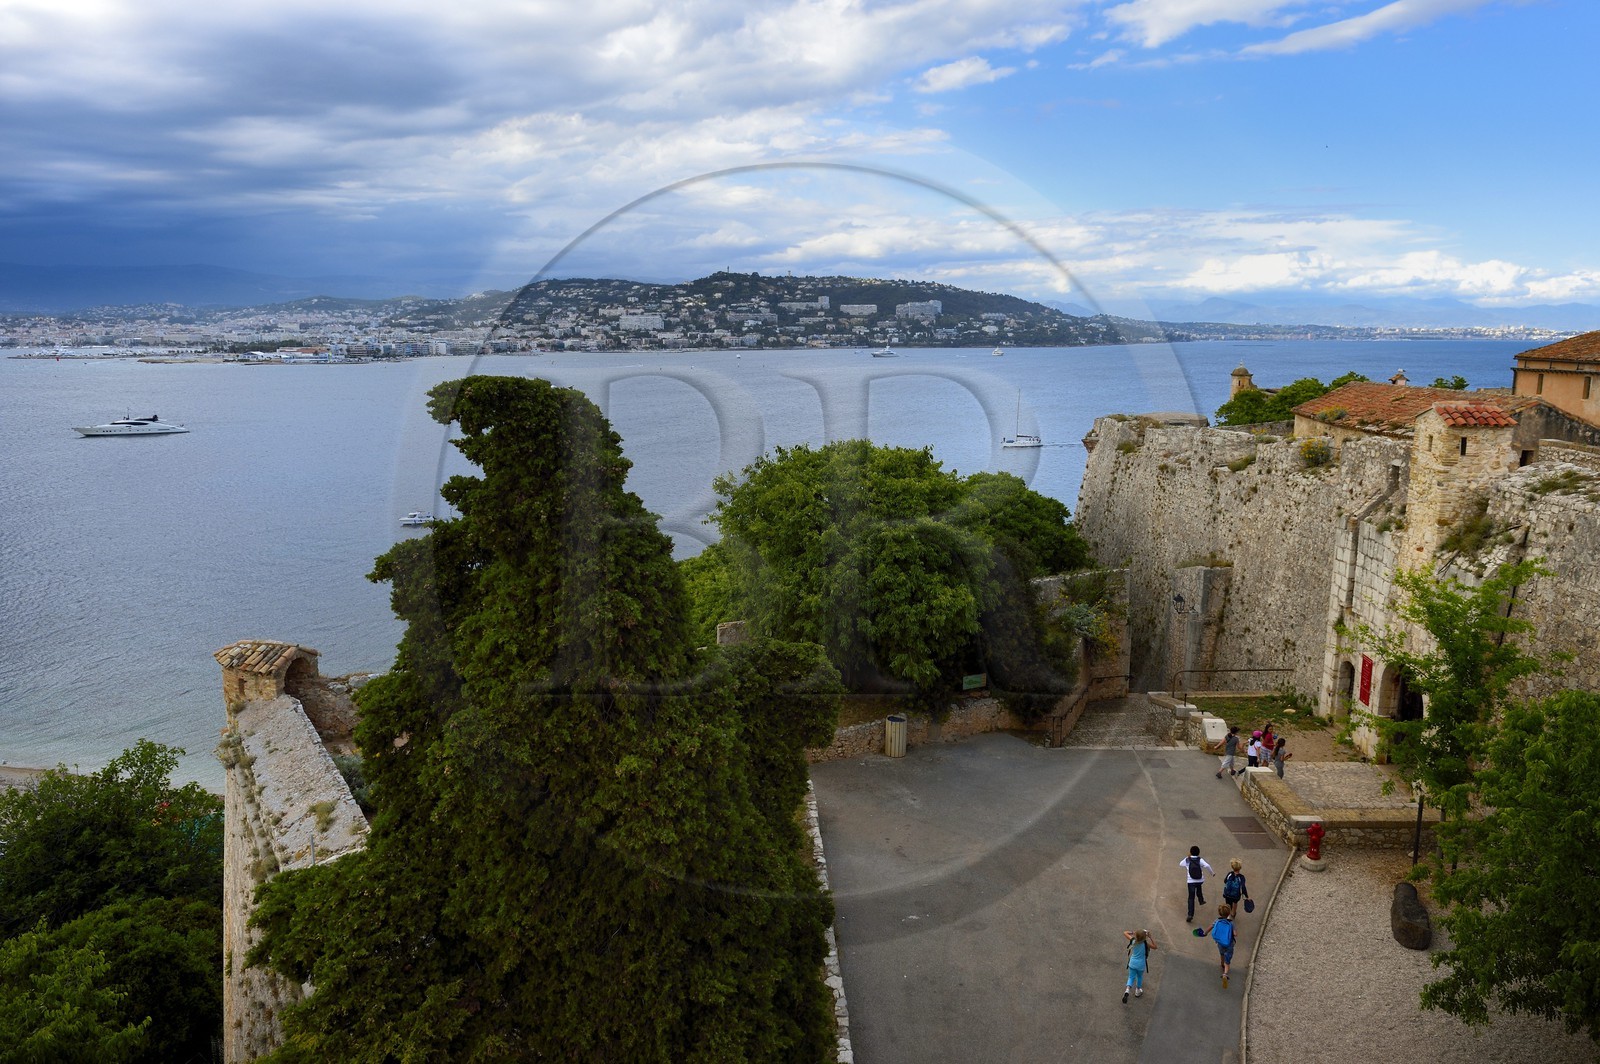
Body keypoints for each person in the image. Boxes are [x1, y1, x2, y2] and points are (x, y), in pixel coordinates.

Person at [1195, 903, 1237, 988]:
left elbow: (1210, 927)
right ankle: (1225, 974)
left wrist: (1205, 933)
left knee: (1221, 953)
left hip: (1220, 943)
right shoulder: (1231, 923)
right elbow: (1235, 934)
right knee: (1227, 961)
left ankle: (1221, 963)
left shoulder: (1217, 921)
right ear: (1229, 913)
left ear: (1219, 913)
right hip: (1229, 944)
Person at [1123, 929, 1158, 1003]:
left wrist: (1133, 932)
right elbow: (1155, 947)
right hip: (1140, 965)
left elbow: (1125, 932)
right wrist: (1150, 937)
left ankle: (1127, 990)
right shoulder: (1146, 944)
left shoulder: (1133, 940)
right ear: (1144, 938)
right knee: (1139, 977)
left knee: (1131, 977)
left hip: (1132, 963)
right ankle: (1137, 991)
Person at [1180, 845, 1214, 922]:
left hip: (1191, 881)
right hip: (1199, 879)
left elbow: (1180, 864)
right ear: (1198, 853)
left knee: (1191, 898)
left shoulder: (1188, 860)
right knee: (1198, 886)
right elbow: (1207, 865)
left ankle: (1190, 914)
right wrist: (1212, 873)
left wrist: (1187, 857)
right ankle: (1201, 900)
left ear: (1190, 852)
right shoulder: (1200, 860)